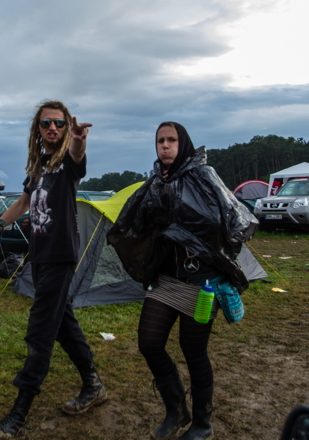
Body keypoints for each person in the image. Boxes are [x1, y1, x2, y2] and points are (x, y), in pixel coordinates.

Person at [107, 122, 257, 440]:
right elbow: (141, 225)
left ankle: (202, 423)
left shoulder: (204, 176)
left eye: (171, 140)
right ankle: (176, 410)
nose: (165, 145)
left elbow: (233, 219)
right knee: (149, 343)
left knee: (193, 352)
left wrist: (187, 231)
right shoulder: (155, 184)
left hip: (202, 282)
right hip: (167, 279)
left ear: (183, 143)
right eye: (160, 140)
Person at [0, 100, 106, 440]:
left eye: (59, 122)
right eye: (46, 123)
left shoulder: (68, 162)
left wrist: (78, 141)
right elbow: (22, 203)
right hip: (39, 255)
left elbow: (78, 157)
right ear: (38, 129)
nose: (53, 128)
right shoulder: (40, 166)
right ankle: (93, 384)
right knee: (62, 324)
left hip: (61, 256)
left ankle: (17, 416)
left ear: (66, 127)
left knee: (40, 330)